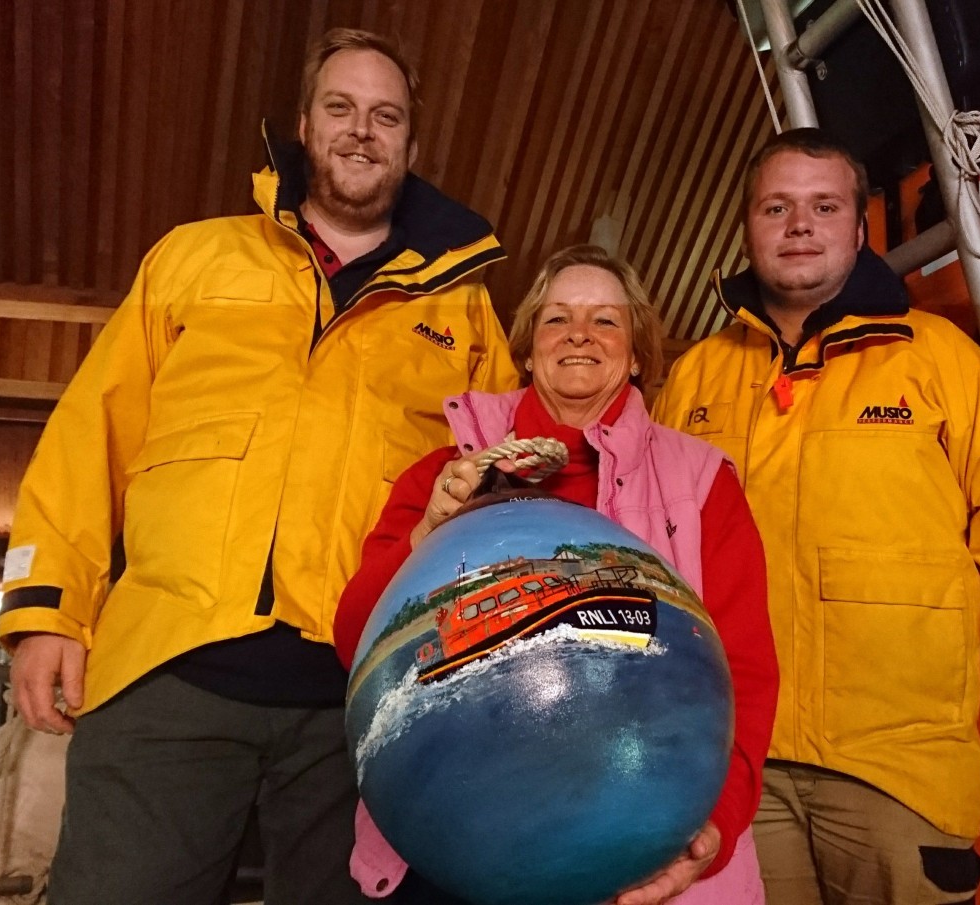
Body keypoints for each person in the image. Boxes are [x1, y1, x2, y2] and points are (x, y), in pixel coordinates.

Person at [0, 28, 518, 905]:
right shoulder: (194, 257)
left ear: (412, 146)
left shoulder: (463, 308)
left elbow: (500, 494)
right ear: (305, 129)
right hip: (169, 673)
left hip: (365, 696)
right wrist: (47, 606)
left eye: (385, 117)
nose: (362, 131)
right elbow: (93, 432)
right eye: (341, 109)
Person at [652, 128, 980, 905]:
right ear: (747, 227)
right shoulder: (697, 376)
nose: (800, 224)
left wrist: (939, 623)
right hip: (738, 759)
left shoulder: (939, 358)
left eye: (824, 205)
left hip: (898, 768)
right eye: (776, 207)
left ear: (858, 228)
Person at [333, 244, 780, 905]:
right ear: (528, 346)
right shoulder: (442, 474)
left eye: (605, 320)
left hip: (637, 859)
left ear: (636, 353)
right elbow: (356, 642)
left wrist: (709, 830)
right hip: (452, 854)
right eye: (556, 318)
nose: (578, 333)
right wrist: (429, 529)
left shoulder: (703, 481)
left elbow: (744, 671)